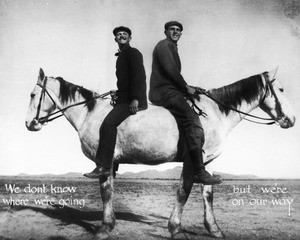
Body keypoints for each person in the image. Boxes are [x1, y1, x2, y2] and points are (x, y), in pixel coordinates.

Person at [149, 21, 221, 185]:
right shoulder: (163, 45)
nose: (175, 32)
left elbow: (172, 74)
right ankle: (198, 171)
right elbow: (170, 70)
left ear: (181, 34)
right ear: (165, 31)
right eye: (172, 29)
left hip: (170, 90)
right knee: (192, 120)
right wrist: (185, 87)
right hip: (163, 92)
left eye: (178, 30)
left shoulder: (172, 46)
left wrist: (190, 87)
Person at [84, 26, 147, 178]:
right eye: (119, 35)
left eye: (125, 34)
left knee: (108, 124)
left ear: (130, 38)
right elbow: (126, 82)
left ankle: (104, 166)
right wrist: (117, 92)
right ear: (115, 39)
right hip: (124, 98)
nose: (122, 36)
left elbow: (139, 77)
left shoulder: (133, 53)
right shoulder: (121, 56)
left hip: (131, 101)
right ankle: (112, 164)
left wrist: (135, 99)